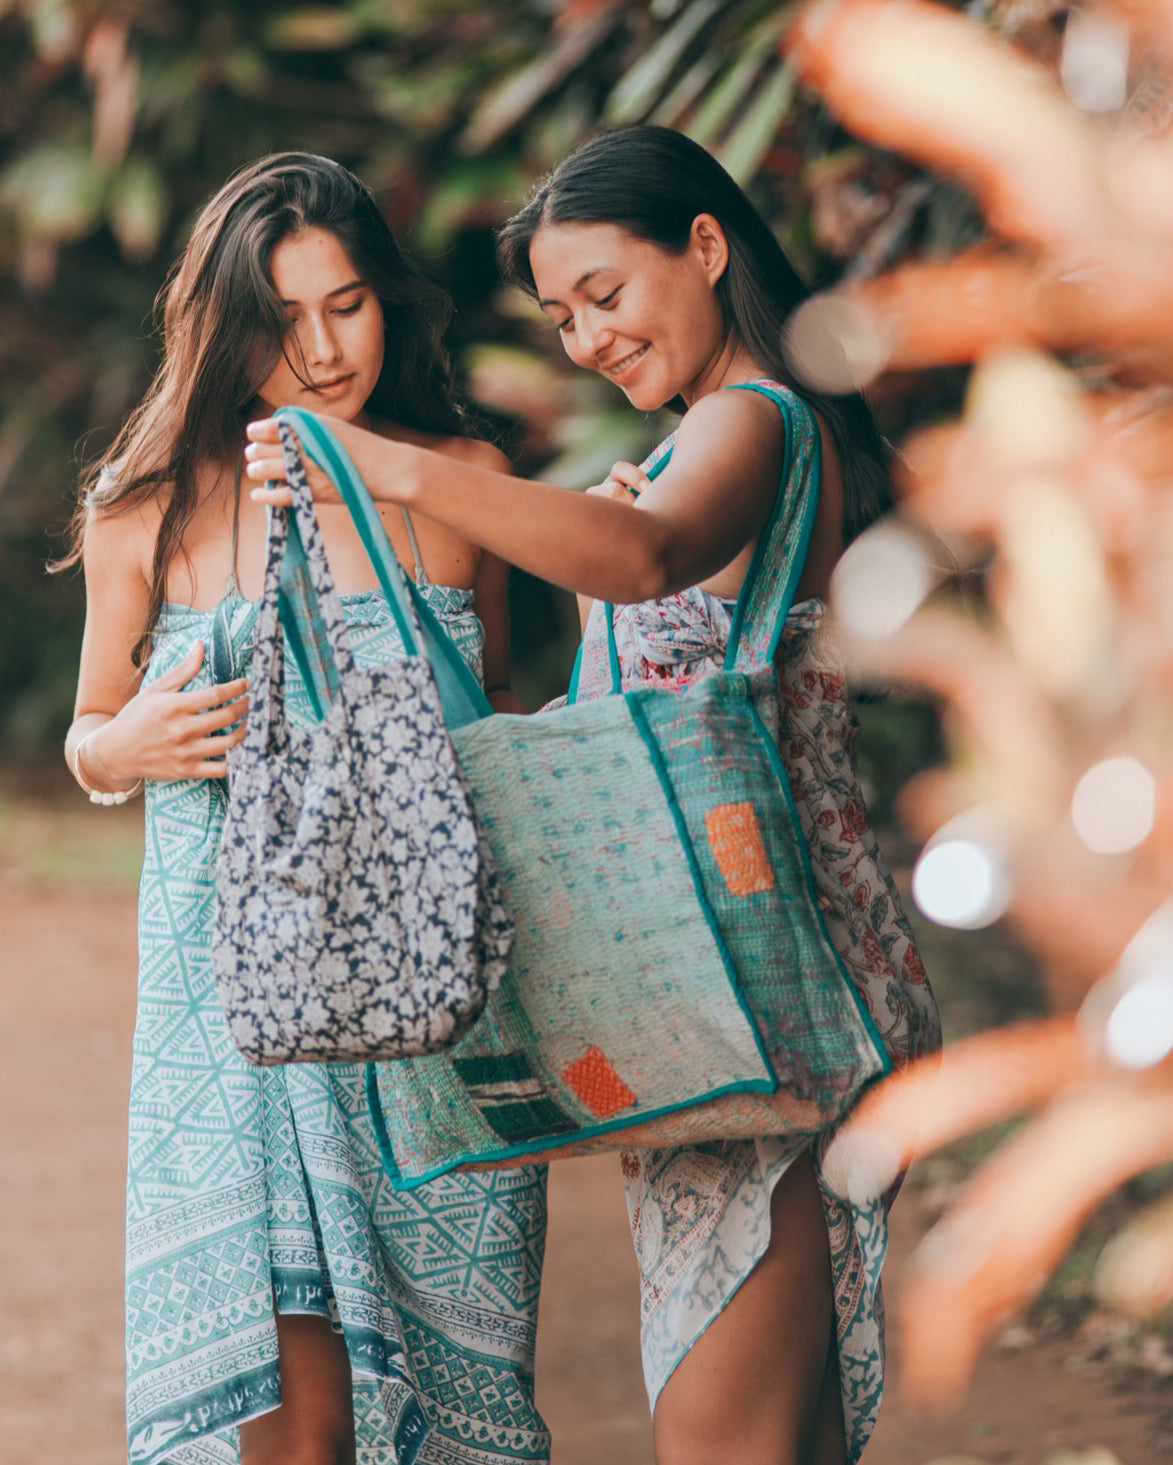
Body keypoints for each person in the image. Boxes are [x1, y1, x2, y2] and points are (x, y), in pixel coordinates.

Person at [247, 125, 941, 1465]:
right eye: (560, 316)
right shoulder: (710, 439)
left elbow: (644, 558)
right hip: (744, 991)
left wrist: (377, 459)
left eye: (602, 296)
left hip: (755, 996)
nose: (584, 340)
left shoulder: (753, 415)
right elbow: (657, 580)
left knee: (718, 1442)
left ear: (703, 242)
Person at [62, 152, 550, 1465]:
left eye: (349, 304)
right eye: (284, 320)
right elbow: (87, 737)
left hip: (433, 1001)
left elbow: (483, 719)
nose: (327, 349)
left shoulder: (455, 481)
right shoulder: (145, 517)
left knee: (456, 1398)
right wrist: (129, 742)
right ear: (225, 329)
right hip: (237, 1019)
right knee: (295, 1424)